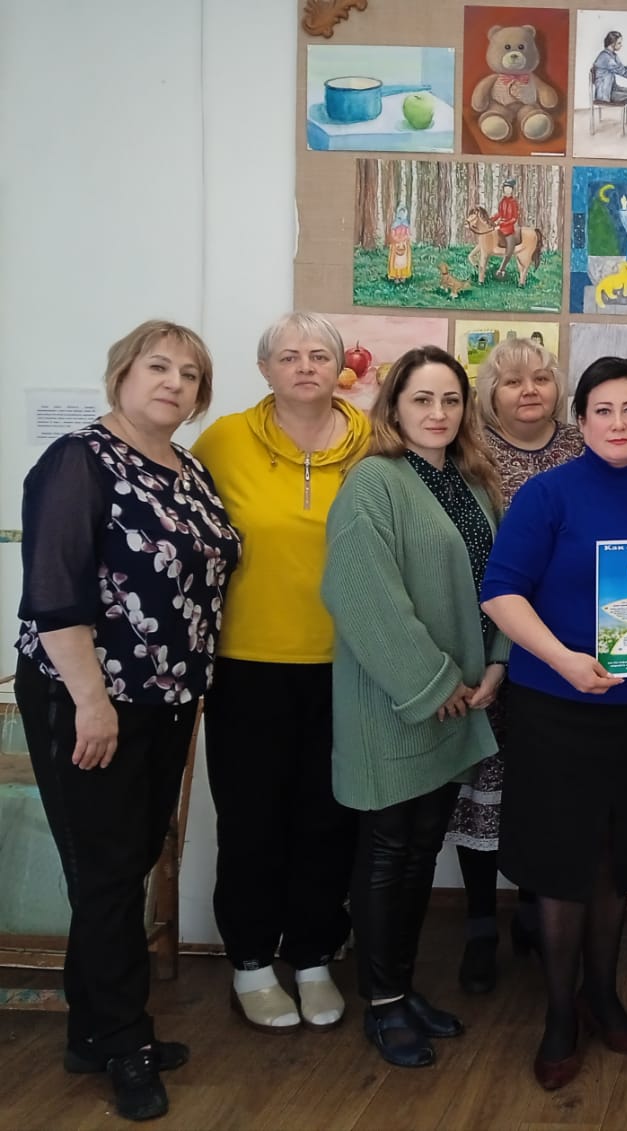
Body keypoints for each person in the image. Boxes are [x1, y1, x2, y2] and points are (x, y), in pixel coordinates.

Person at [14, 320, 240, 1121]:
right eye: (158, 366)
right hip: (90, 697)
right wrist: (91, 700)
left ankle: (90, 1031)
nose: (174, 382)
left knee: (128, 862)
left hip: (167, 698)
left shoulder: (189, 469)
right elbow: (54, 593)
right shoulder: (79, 459)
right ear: (121, 374)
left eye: (190, 374)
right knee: (107, 871)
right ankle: (124, 1040)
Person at [482, 358, 627, 1091]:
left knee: (616, 861)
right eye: (602, 410)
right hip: (556, 707)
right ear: (580, 420)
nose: (618, 422)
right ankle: (558, 1015)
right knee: (561, 866)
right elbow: (501, 593)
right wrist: (564, 660)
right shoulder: (547, 494)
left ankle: (603, 996)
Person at [321, 346, 507, 1069]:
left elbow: (498, 581)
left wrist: (496, 664)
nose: (438, 413)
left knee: (423, 846)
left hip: (460, 701)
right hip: (396, 702)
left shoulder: (470, 480)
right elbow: (363, 596)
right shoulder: (373, 481)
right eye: (422, 399)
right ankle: (382, 1002)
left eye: (451, 400)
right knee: (388, 849)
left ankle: (400, 988)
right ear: (394, 407)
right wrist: (434, 684)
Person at [190, 313, 369, 1037]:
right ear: (265, 369)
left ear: (339, 368)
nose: (304, 367)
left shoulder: (373, 442)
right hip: (246, 666)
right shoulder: (222, 440)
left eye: (319, 355)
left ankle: (314, 956)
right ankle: (251, 962)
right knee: (252, 820)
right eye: (288, 356)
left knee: (329, 819)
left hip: (346, 666)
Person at [443, 338, 585, 995]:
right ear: (489, 396)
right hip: (485, 643)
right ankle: (479, 923)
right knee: (483, 783)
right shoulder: (467, 454)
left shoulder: (583, 447)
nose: (528, 391)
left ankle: (533, 908)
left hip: (567, 647)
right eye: (511, 382)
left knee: (546, 786)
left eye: (540, 378)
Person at [494, 181, 520, 279]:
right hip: (501, 227)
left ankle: (501, 269)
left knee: (509, 249)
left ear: (512, 190)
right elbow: (499, 214)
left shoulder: (513, 202)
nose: (507, 190)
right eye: (506, 188)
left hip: (509, 229)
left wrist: (503, 223)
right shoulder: (502, 202)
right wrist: (491, 219)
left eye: (509, 188)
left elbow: (514, 218)